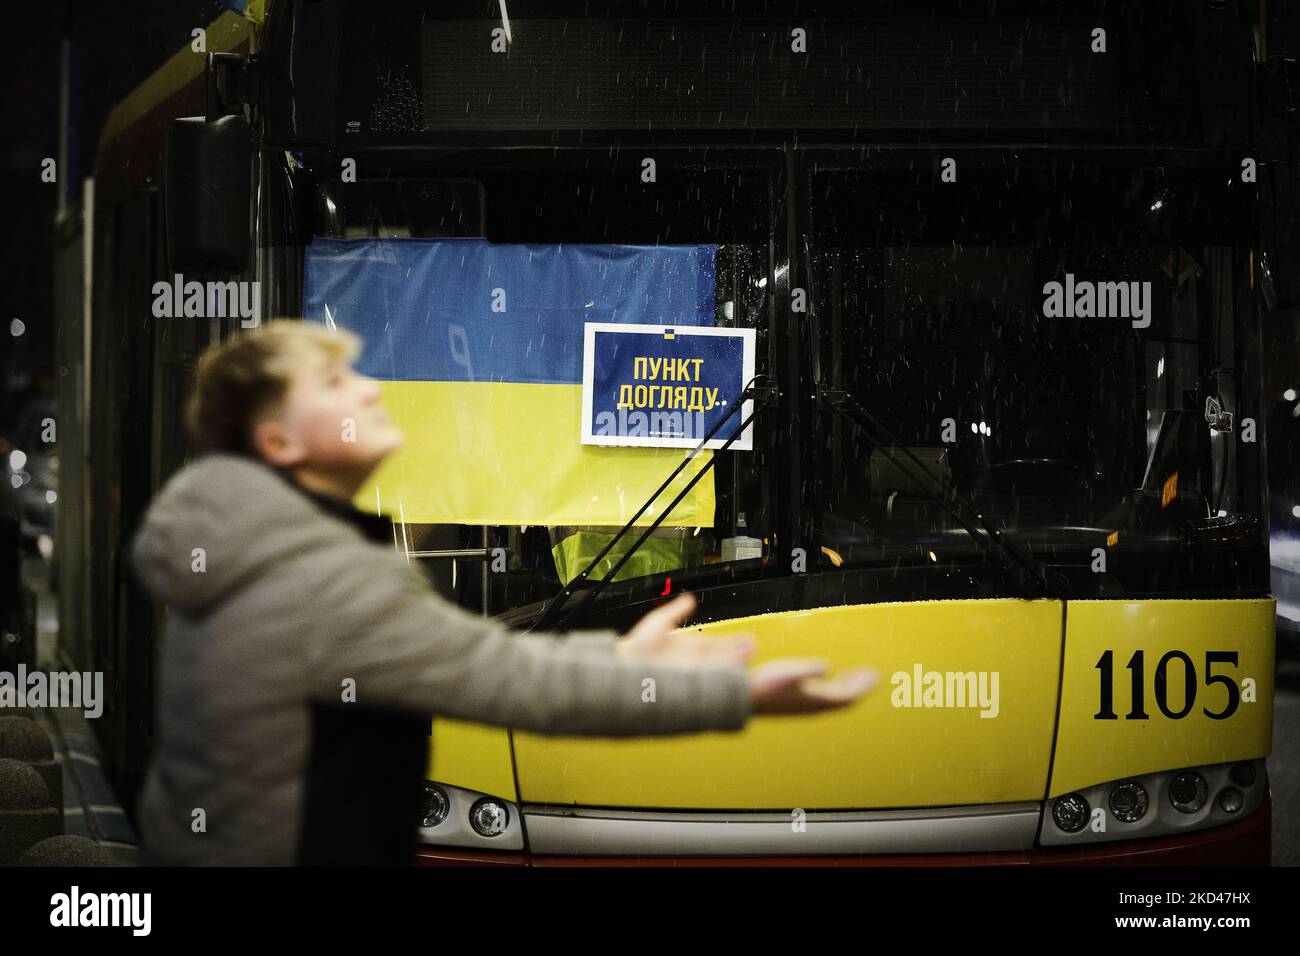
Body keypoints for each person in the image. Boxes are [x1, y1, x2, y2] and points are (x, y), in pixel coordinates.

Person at [129, 320, 879, 865]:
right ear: (281, 443)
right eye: (334, 383)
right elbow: (516, 682)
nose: (367, 384)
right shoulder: (310, 574)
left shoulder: (249, 537)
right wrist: (709, 690)